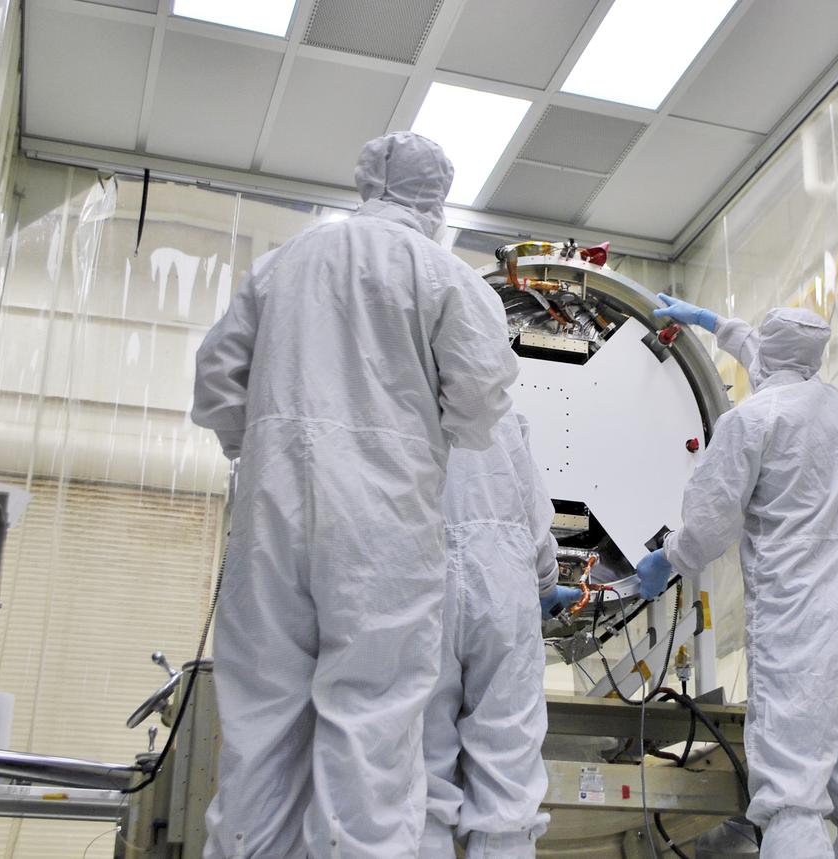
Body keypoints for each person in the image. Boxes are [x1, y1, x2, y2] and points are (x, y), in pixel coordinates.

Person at [192, 132, 519, 858]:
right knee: (371, 724)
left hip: (271, 517)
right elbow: (483, 398)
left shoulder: (284, 264)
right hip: (383, 523)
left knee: (260, 723)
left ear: (367, 181)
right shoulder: (440, 274)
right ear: (436, 200)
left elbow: (215, 380)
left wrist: (267, 444)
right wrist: (426, 429)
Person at [636, 296, 838, 859]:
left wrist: (668, 561)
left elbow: (709, 526)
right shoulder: (832, 406)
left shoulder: (749, 421)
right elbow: (777, 363)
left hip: (796, 614)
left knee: (792, 795)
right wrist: (714, 324)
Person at [420, 409, 580, 859]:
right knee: (507, 780)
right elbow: (536, 518)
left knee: (419, 784)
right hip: (503, 586)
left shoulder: (394, 393)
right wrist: (546, 584)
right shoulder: (503, 416)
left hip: (419, 583)